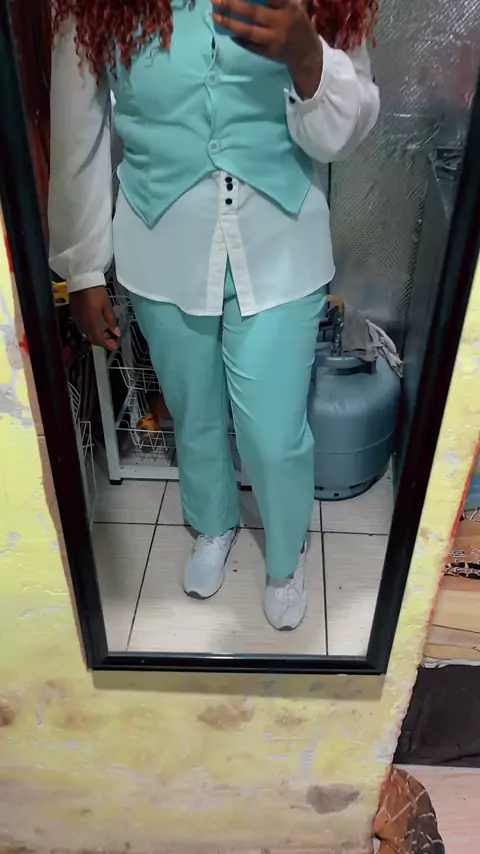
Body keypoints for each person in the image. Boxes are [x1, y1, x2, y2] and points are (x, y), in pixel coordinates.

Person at [48, 0, 380, 631]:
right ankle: (212, 525)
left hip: (280, 241)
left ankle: (286, 555)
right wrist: (84, 268)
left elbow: (343, 136)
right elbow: (78, 133)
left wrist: (306, 54)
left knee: (273, 433)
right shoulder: (94, 10)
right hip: (161, 241)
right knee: (193, 412)